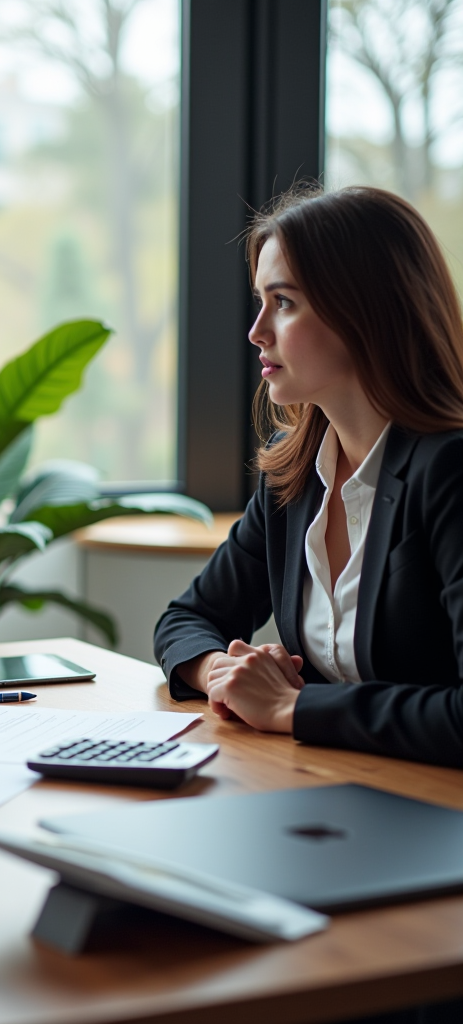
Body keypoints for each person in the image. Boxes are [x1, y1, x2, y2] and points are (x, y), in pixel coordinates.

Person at [155, 183, 463, 767]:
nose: (256, 331)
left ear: (366, 311)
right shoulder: (292, 470)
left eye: (285, 302)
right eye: (260, 301)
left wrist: (291, 709)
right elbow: (188, 619)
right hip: (328, 788)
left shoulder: (448, 470)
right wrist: (224, 671)